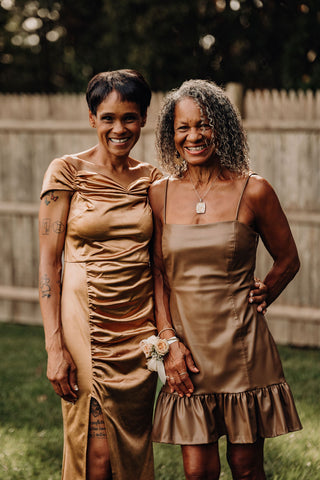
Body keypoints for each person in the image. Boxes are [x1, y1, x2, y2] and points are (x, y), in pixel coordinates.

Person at [149, 79, 302, 480]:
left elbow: (288, 259)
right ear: (171, 134)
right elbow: (158, 275)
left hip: (243, 348)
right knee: (198, 470)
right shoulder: (158, 194)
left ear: (224, 127)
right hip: (188, 352)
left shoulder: (254, 190)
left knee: (247, 467)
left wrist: (266, 289)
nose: (194, 135)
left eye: (204, 124)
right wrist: (167, 341)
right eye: (183, 127)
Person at [38, 69, 162, 480]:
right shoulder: (66, 172)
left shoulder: (153, 180)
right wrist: (55, 347)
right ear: (92, 119)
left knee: (131, 449)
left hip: (137, 332)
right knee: (96, 457)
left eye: (129, 117)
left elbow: (165, 260)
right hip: (84, 326)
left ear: (144, 118)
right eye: (108, 117)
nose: (119, 128)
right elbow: (48, 263)